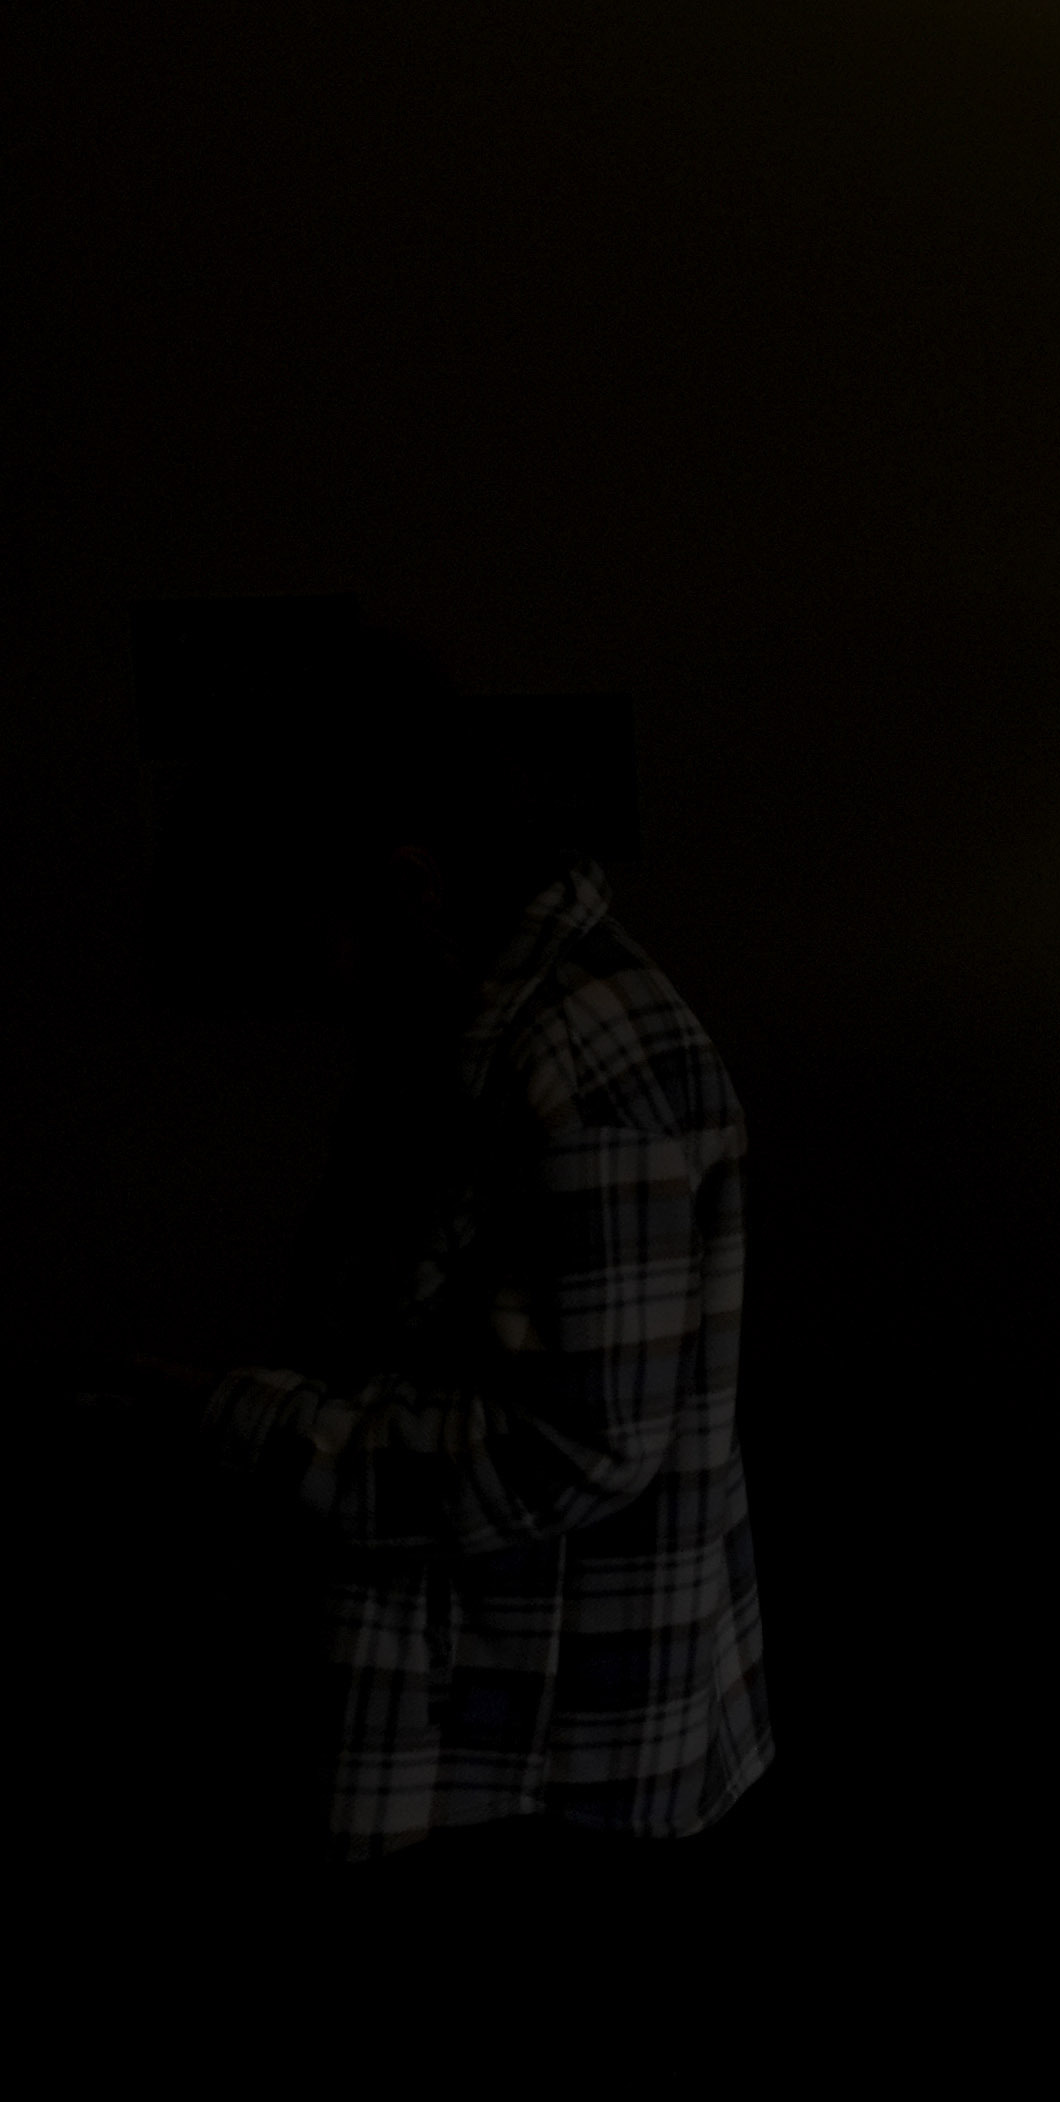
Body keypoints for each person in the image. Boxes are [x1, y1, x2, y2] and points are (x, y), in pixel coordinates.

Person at [126, 637, 773, 2095]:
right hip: (502, 1748)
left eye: (315, 932)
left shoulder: (584, 1062)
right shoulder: (473, 1027)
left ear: (412, 879)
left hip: (550, 1789)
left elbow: (566, 1448)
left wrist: (225, 1420)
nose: (314, 985)